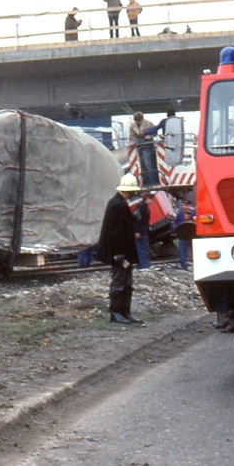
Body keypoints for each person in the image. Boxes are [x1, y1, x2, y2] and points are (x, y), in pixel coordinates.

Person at [96, 173, 143, 324]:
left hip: (123, 253)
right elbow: (115, 232)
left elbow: (120, 226)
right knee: (119, 282)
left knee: (127, 283)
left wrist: (132, 218)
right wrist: (118, 253)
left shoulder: (119, 202)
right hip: (120, 253)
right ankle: (116, 313)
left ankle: (124, 312)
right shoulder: (117, 204)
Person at [129, 111, 159, 186]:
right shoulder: (132, 126)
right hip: (138, 146)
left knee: (148, 164)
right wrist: (133, 142)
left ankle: (153, 182)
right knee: (141, 165)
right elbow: (131, 136)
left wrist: (150, 136)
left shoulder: (149, 123)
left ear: (142, 119)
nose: (138, 122)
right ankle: (144, 182)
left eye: (139, 121)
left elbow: (155, 132)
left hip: (147, 145)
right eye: (136, 121)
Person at [173, 198, 195, 272]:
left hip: (192, 235)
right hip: (182, 235)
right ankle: (183, 266)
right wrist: (177, 227)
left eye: (187, 205)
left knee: (195, 251)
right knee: (182, 251)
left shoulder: (194, 213)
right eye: (184, 205)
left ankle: (196, 265)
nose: (185, 207)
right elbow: (175, 224)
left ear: (189, 206)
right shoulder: (179, 214)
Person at [134, 191, 152, 269]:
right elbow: (136, 220)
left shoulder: (142, 207)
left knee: (142, 248)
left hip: (142, 231)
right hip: (141, 231)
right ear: (147, 198)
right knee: (143, 249)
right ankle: (144, 265)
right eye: (151, 199)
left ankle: (141, 265)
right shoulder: (142, 208)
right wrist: (136, 231)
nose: (152, 201)